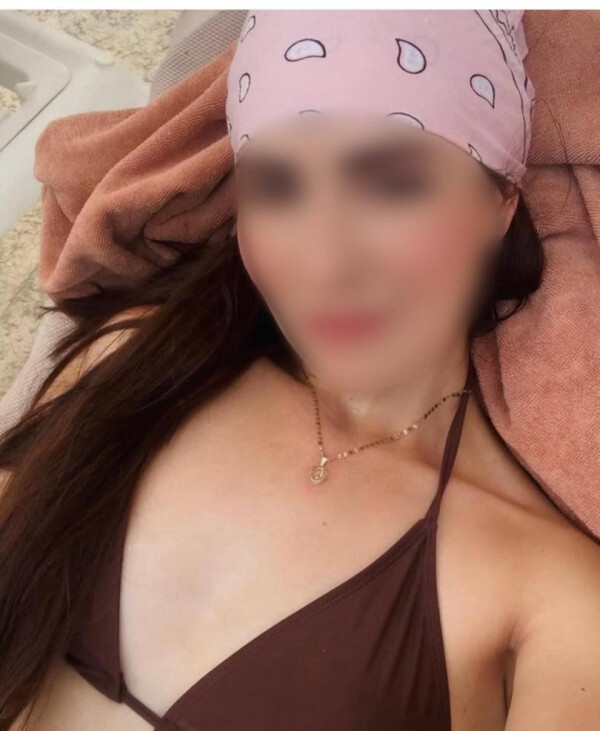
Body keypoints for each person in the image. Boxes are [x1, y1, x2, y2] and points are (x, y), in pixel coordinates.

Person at [1, 10, 599, 731]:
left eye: (393, 185)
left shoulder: (552, 599)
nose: (326, 264)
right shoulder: (133, 362)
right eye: (278, 188)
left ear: (499, 205)